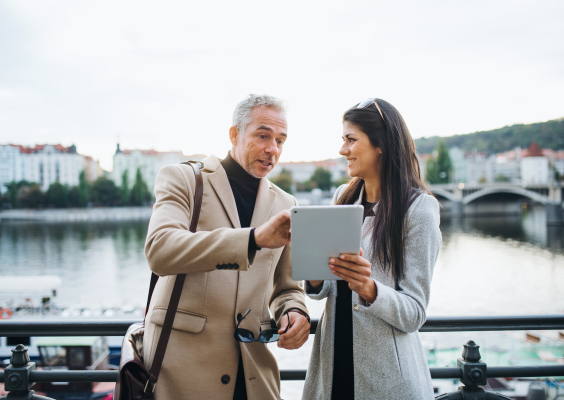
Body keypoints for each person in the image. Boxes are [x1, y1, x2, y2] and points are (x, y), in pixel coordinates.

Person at [143, 94, 311, 400]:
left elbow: (287, 286)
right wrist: (252, 239)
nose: (272, 149)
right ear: (234, 134)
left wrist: (295, 311)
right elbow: (159, 249)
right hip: (182, 372)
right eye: (263, 136)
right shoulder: (183, 178)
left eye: (280, 140)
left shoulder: (287, 204)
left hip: (253, 375)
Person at [303, 98, 441, 400]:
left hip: (386, 377)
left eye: (351, 140)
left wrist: (368, 288)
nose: (343, 150)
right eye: (343, 140)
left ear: (381, 144)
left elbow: (414, 313)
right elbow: (326, 286)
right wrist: (311, 267)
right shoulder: (343, 196)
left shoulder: (419, 210)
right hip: (332, 362)